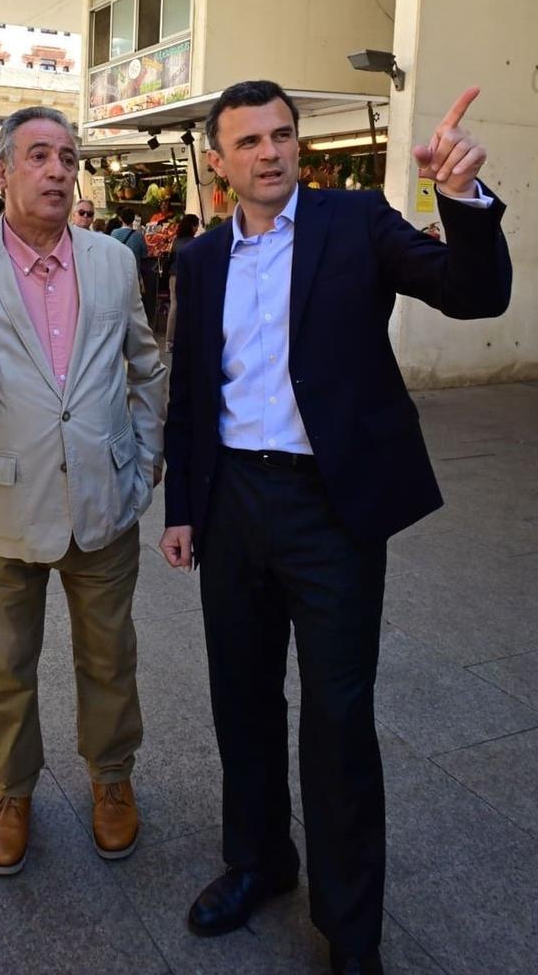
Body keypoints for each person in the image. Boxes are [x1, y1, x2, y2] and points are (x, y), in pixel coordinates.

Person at [159, 80, 511, 975]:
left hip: (330, 507)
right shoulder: (199, 260)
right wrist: (182, 509)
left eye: (281, 135)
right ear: (219, 160)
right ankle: (258, 863)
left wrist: (460, 199)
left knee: (337, 714)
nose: (269, 152)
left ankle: (351, 930)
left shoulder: (355, 221)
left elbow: (471, 296)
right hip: (233, 499)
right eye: (248, 142)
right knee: (239, 697)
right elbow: (191, 390)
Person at [0, 106, 167, 878]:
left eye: (67, 156)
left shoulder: (112, 261)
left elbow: (145, 365)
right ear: (2, 171)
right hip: (1, 506)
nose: (57, 170)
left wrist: (144, 462)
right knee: (3, 665)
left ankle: (111, 780)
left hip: (103, 499)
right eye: (38, 156)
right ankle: (10, 791)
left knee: (109, 656)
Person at [164, 213, 199, 352]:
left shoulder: (175, 240)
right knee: (190, 306)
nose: (197, 229)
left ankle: (169, 341)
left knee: (174, 306)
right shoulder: (195, 242)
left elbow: (170, 257)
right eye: (196, 225)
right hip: (189, 275)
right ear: (192, 226)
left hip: (173, 275)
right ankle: (186, 339)